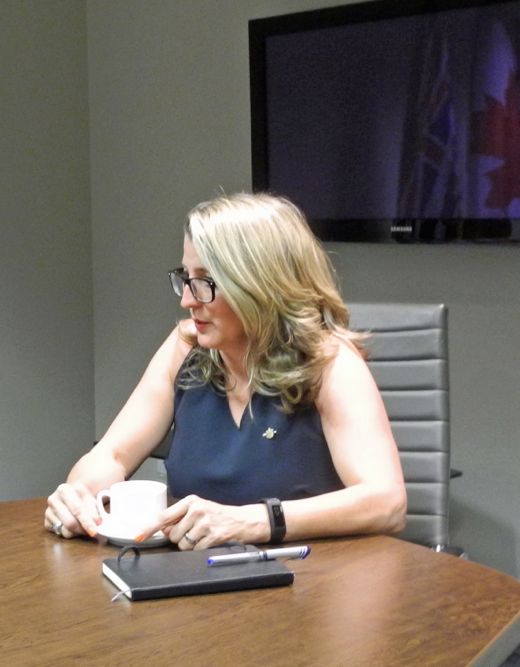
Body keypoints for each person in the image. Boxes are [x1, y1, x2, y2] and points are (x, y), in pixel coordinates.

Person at [44, 192, 406, 550]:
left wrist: (254, 521)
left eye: (205, 282)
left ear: (260, 286)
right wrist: (79, 496)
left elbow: (385, 502)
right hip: (197, 582)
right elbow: (112, 455)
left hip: (307, 584)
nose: (187, 300)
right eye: (185, 278)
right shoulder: (186, 348)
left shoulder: (330, 363)